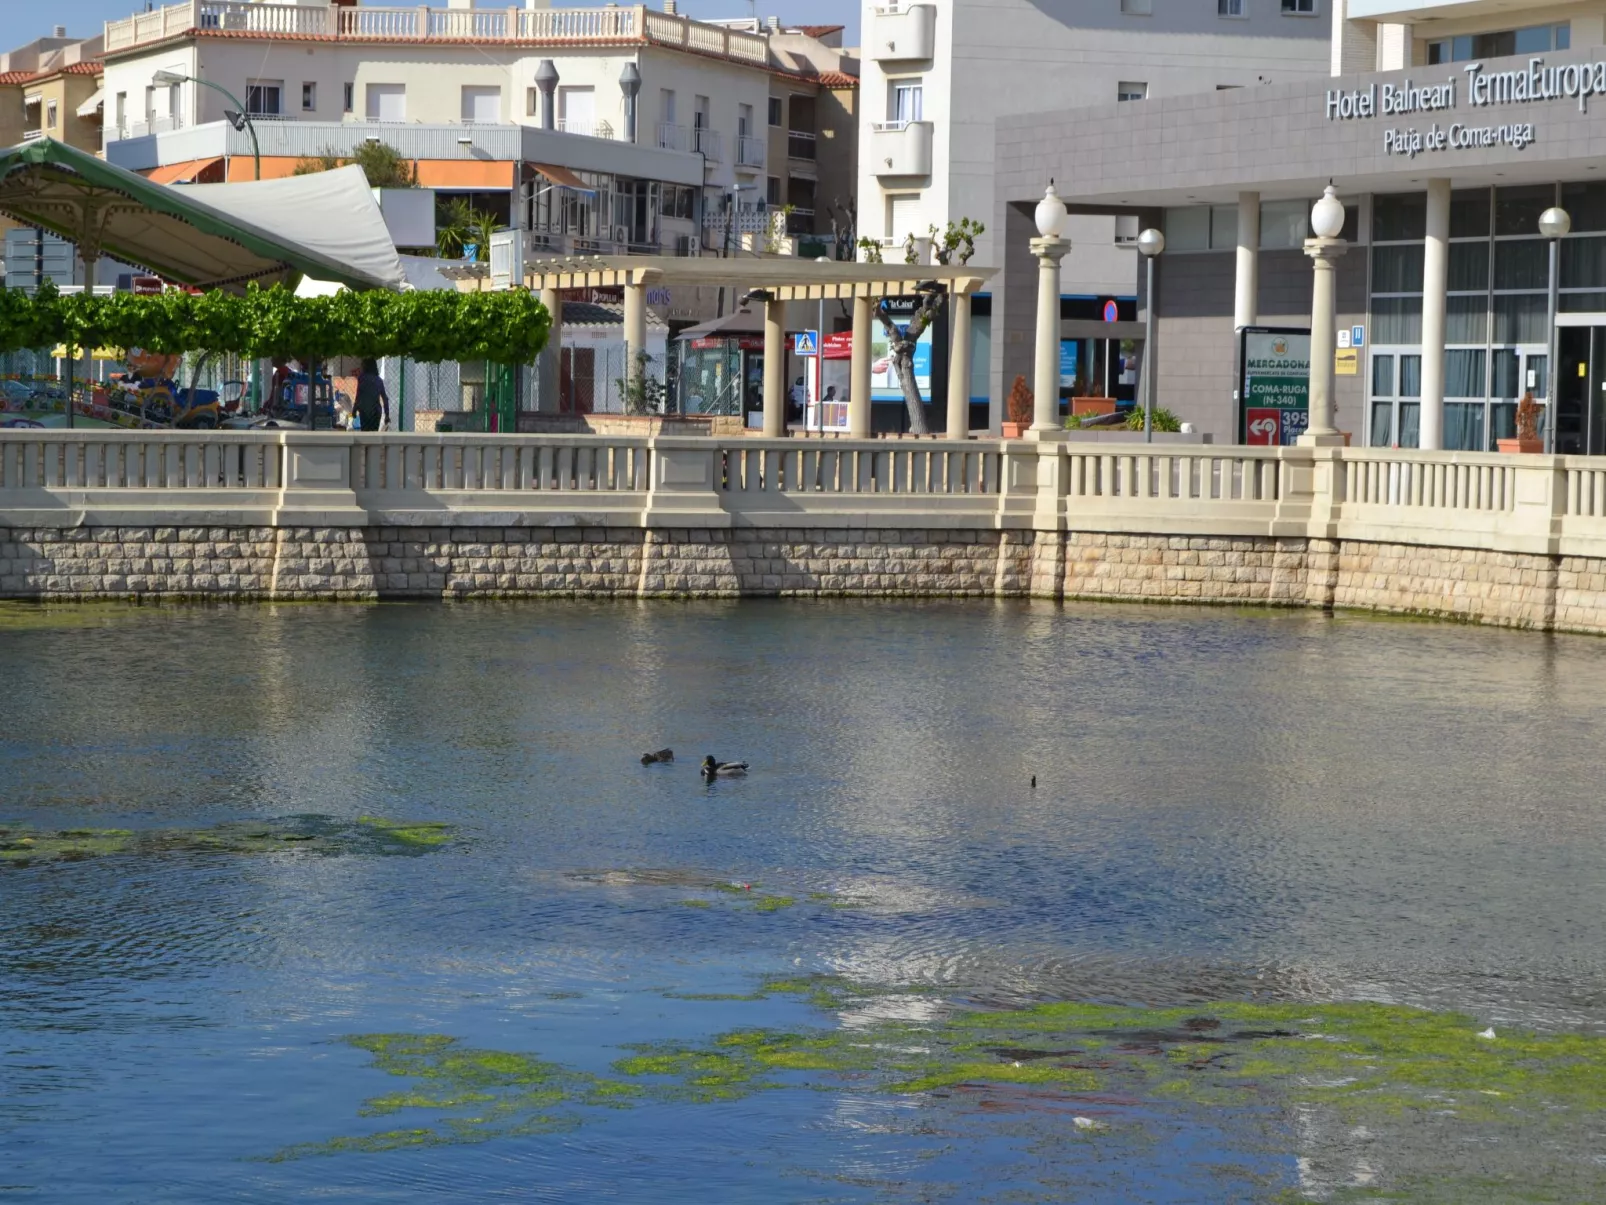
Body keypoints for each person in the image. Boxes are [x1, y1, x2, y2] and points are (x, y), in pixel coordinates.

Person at [354, 358, 390, 433]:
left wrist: (355, 409)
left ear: (365, 367)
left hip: (364, 411)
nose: (361, 367)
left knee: (365, 434)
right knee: (374, 434)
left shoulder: (362, 378)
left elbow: (359, 395)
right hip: (376, 412)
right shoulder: (379, 380)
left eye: (362, 365)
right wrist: (387, 415)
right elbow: (385, 398)